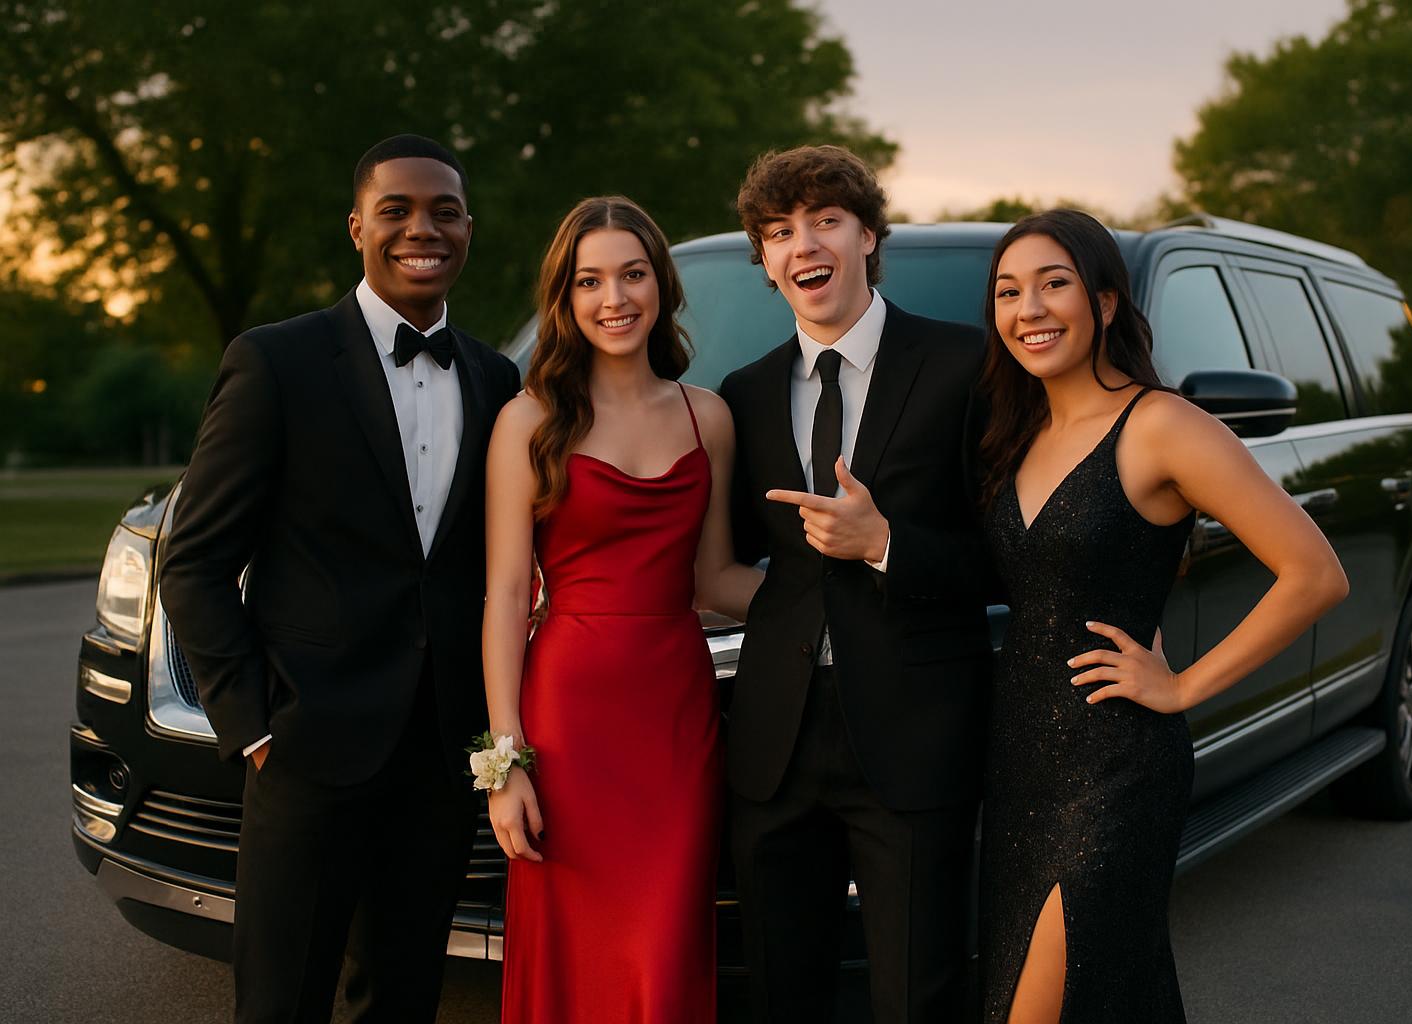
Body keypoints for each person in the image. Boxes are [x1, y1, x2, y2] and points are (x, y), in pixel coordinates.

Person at [158, 134, 521, 1022]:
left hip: (440, 759)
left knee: (401, 998)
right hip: (305, 748)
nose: (420, 230)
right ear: (357, 226)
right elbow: (196, 560)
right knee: (283, 998)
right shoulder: (276, 361)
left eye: (443, 211)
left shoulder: (498, 378)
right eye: (395, 211)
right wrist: (250, 727)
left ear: (469, 228)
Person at [976, 209, 1349, 1023]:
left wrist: (1183, 686)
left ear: (1105, 303)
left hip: (1116, 770)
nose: (1028, 309)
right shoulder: (1017, 434)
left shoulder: (1161, 427)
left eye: (1053, 284)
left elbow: (1314, 573)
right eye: (1008, 291)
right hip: (1018, 770)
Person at [720, 145, 994, 1023]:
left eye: (826, 220)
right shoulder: (745, 393)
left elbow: (1012, 554)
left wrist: (885, 545)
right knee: (781, 991)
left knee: (918, 993)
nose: (805, 244)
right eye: (779, 231)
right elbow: (709, 558)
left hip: (915, 739)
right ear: (764, 260)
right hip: (774, 742)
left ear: (868, 235)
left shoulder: (966, 367)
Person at [484, 195, 761, 1024]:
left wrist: (834, 585)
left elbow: (714, 582)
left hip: (674, 720)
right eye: (591, 280)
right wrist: (506, 763)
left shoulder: (706, 416)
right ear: (564, 300)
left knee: (666, 944)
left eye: (633, 274)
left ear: (661, 286)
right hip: (567, 719)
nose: (616, 298)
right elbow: (503, 594)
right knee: (576, 950)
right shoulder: (528, 421)